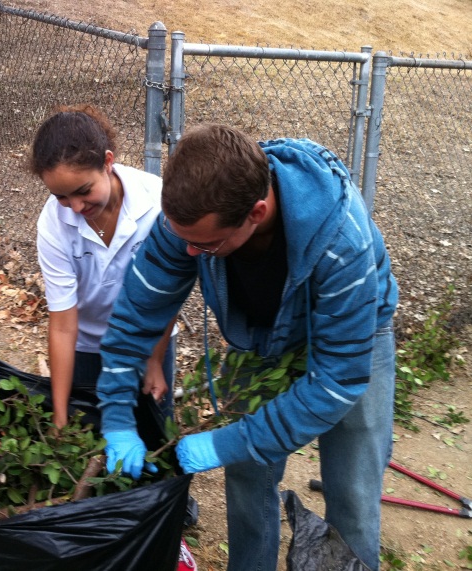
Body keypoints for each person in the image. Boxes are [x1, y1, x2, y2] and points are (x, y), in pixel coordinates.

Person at [96, 124, 398, 570]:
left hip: (353, 338)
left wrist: (228, 441)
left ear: (257, 212)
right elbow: (135, 315)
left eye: (206, 244)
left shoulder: (340, 243)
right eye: (186, 241)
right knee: (247, 475)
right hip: (261, 335)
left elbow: (335, 381)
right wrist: (118, 416)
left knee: (351, 490)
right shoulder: (191, 222)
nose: (192, 254)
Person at [30, 104, 178, 429]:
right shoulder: (54, 224)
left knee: (153, 434)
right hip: (85, 347)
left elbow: (167, 295)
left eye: (84, 191)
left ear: (108, 162)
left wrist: (154, 361)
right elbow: (64, 324)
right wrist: (59, 411)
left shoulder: (157, 203)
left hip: (147, 341)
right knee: (88, 433)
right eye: (61, 197)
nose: (77, 207)